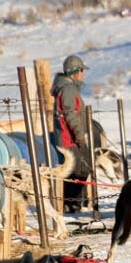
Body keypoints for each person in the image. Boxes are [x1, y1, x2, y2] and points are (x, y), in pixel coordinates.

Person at [50, 54, 94, 210]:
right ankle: (70, 203)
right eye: (82, 70)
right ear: (75, 71)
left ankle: (71, 203)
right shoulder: (68, 89)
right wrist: (79, 135)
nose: (83, 74)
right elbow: (69, 114)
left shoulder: (67, 87)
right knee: (78, 169)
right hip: (69, 138)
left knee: (79, 168)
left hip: (70, 137)